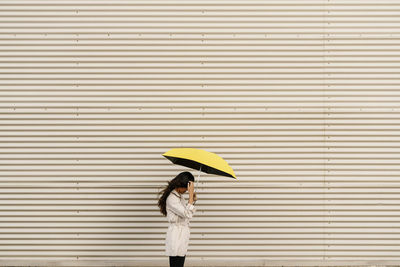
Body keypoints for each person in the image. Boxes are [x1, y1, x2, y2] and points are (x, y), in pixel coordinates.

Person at [157, 171, 197, 267]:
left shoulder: (179, 196)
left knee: (180, 262)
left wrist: (192, 201)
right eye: (186, 189)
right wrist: (191, 197)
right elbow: (187, 214)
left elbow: (185, 212)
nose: (186, 191)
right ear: (180, 185)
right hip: (176, 234)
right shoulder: (172, 198)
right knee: (176, 263)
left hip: (182, 233)